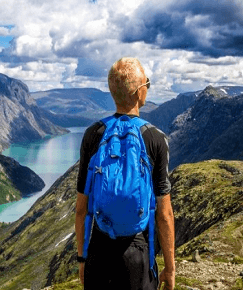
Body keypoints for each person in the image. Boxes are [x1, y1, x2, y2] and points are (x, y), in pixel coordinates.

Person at [75, 57, 175, 290]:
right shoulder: (155, 138)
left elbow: (81, 208)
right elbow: (164, 214)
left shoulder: (93, 134)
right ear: (140, 92)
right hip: (138, 252)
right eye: (147, 84)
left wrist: (83, 259)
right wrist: (169, 269)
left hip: (99, 252)